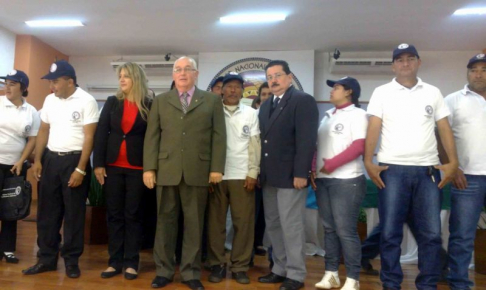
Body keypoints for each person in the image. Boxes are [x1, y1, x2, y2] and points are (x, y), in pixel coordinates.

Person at [364, 44, 458, 290]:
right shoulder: (381, 92)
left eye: (410, 59)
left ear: (418, 62)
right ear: (394, 65)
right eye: (400, 60)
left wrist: (453, 162)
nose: (405, 63)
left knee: (431, 236)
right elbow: (373, 128)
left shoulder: (433, 92)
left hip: (428, 172)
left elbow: (444, 129)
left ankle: (427, 285)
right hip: (391, 171)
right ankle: (391, 284)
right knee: (389, 234)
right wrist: (368, 162)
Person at [143, 56, 226, 290]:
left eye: (187, 69)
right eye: (178, 69)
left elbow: (219, 137)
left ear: (196, 74)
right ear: (173, 75)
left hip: (198, 171)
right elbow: (152, 137)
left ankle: (190, 273)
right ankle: (164, 271)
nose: (182, 73)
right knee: (164, 223)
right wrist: (149, 167)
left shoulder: (211, 100)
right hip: (166, 170)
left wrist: (216, 167)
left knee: (194, 224)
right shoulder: (160, 101)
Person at [22, 60, 100, 278]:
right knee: (47, 213)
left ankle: (72, 261)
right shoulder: (49, 100)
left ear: (70, 81)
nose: (52, 86)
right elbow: (44, 130)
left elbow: (89, 137)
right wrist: (38, 160)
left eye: (55, 81)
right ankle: (46, 258)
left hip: (75, 161)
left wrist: (81, 170)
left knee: (74, 214)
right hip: (51, 160)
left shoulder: (87, 101)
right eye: (50, 81)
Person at [257, 60, 319, 290]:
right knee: (273, 224)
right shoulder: (265, 106)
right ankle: (279, 268)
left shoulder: (302, 101)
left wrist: (301, 173)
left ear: (289, 77)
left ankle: (296, 274)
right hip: (269, 177)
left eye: (278, 75)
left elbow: (306, 140)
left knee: (291, 226)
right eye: (269, 76)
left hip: (291, 177)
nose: (273, 80)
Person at [93, 62, 152, 280]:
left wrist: (151, 168)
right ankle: (114, 261)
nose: (122, 79)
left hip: (138, 169)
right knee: (115, 215)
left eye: (127, 76)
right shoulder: (112, 102)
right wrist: (98, 163)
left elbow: (153, 138)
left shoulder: (149, 104)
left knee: (133, 215)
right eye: (120, 76)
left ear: (136, 78)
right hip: (113, 167)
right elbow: (101, 133)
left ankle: (131, 263)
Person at [310, 77, 367, 290]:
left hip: (348, 180)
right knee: (329, 229)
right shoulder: (326, 117)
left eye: (336, 87)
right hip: (324, 180)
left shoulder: (359, 114)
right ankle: (331, 274)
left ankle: (353, 279)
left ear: (349, 92)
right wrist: (314, 169)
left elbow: (359, 146)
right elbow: (318, 147)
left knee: (346, 230)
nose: (332, 91)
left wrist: (332, 164)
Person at [207, 72, 260, 284]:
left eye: (238, 87)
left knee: (243, 224)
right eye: (229, 86)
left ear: (243, 91)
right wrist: (207, 174)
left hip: (242, 176)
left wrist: (253, 172)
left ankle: (240, 266)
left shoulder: (251, 113)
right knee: (215, 224)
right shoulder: (211, 111)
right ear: (221, 89)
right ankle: (217, 265)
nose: (233, 90)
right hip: (216, 176)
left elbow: (255, 144)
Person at [442, 53, 486, 290]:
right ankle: (459, 283)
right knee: (462, 235)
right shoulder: (453, 100)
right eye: (473, 69)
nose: (478, 74)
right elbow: (439, 134)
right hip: (466, 177)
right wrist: (452, 166)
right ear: (467, 73)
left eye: (483, 69)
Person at [0, 70, 40, 264]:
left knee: (11, 207)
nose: (7, 87)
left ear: (23, 88)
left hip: (15, 167)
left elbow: (33, 139)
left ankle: (7, 249)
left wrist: (21, 160)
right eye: (6, 83)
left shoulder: (31, 111)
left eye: (12, 84)